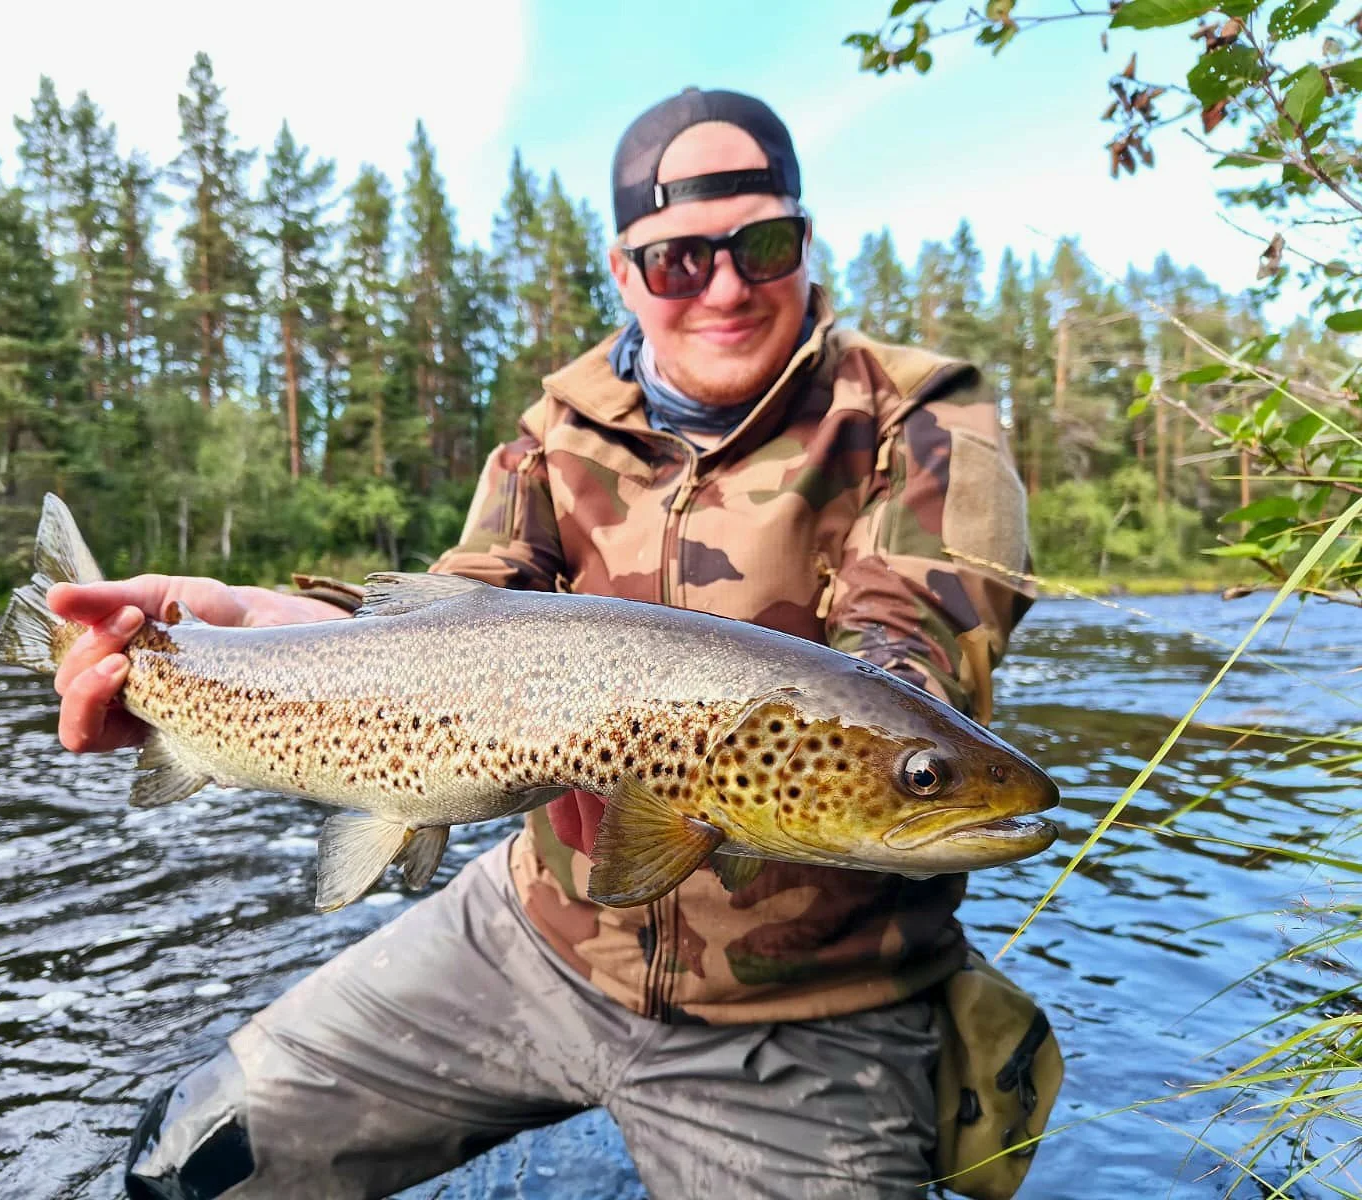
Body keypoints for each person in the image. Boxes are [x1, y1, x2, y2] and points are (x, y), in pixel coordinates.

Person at [51, 87, 1034, 1200]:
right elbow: (462, 613)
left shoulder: (923, 418)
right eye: (677, 261)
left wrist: (908, 766)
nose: (724, 284)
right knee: (189, 1168)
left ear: (805, 245)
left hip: (806, 1018)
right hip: (534, 936)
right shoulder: (554, 432)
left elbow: (912, 646)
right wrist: (279, 633)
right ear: (625, 272)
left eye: (762, 244)